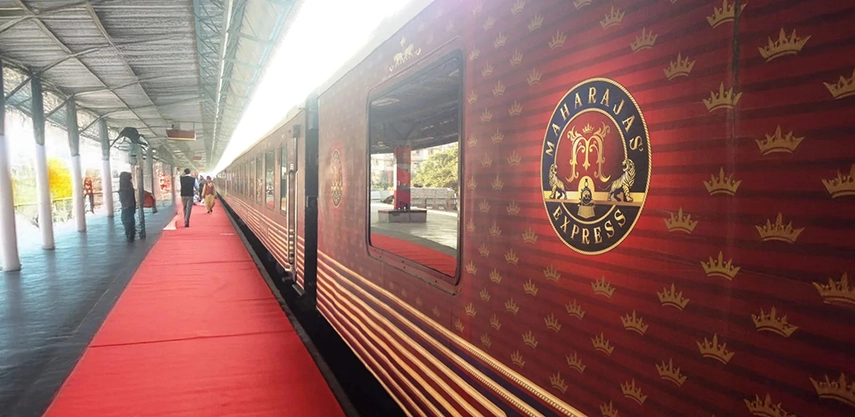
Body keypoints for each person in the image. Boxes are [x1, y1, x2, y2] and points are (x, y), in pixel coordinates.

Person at [118, 172, 136, 242]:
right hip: (130, 205)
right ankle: (131, 233)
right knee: (130, 219)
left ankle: (129, 234)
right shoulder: (129, 185)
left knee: (126, 219)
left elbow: (124, 196)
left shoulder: (124, 185)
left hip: (127, 206)